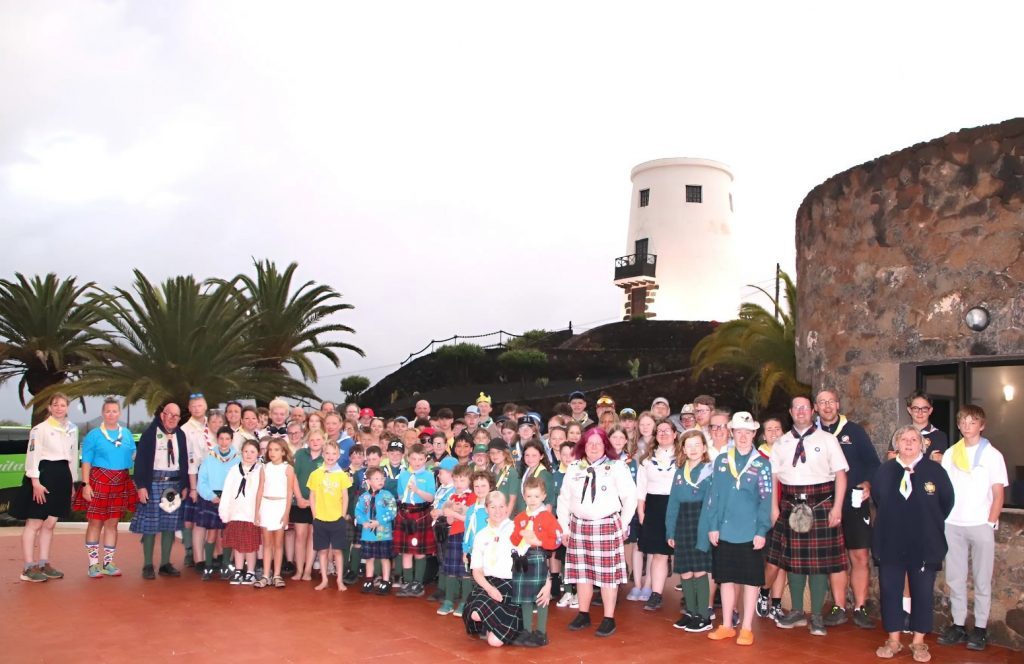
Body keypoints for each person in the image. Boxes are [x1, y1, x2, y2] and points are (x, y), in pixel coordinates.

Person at [768, 396, 849, 637]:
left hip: (821, 504)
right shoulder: (781, 443)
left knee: (819, 564)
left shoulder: (828, 439)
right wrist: (774, 508)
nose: (801, 411)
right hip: (790, 505)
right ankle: (795, 611)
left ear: (812, 411)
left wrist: (838, 508)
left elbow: (841, 476)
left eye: (805, 407)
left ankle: (815, 615)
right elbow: (774, 478)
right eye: (797, 408)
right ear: (791, 412)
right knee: (792, 561)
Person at [872, 426, 954, 662]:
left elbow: (946, 502)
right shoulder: (885, 471)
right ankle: (894, 639)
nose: (908, 443)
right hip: (891, 542)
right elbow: (879, 499)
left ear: (922, 445)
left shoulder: (936, 472)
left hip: (925, 543)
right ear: (896, 444)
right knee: (890, 591)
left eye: (914, 439)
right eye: (904, 439)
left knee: (922, 592)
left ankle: (919, 642)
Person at [937, 404, 1008, 652]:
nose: (968, 426)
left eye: (973, 421)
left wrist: (990, 522)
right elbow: (943, 489)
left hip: (980, 524)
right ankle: (958, 625)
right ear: (958, 425)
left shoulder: (992, 455)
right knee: (955, 578)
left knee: (981, 579)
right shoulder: (950, 454)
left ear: (982, 425)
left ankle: (979, 628)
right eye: (963, 422)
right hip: (953, 524)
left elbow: (998, 493)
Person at [558, 427, 638, 637]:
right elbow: (563, 500)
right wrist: (564, 527)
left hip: (606, 526)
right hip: (578, 527)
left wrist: (624, 523)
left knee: (607, 576)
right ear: (583, 445)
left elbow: (630, 497)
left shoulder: (617, 467)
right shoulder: (574, 467)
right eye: (589, 443)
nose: (593, 447)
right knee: (582, 574)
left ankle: (608, 618)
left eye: (598, 443)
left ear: (605, 446)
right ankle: (583, 614)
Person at [702, 412, 773, 646]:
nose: (743, 436)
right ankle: (727, 626)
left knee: (751, 581)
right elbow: (713, 497)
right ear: (732, 433)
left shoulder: (762, 463)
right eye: (739, 431)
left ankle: (746, 627)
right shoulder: (721, 461)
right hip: (724, 530)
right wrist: (713, 526)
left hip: (750, 532)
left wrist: (762, 530)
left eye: (748, 432)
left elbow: (766, 500)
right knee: (727, 579)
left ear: (754, 434)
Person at [815, 389, 880, 629]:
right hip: (825, 503)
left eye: (831, 401)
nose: (827, 406)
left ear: (838, 404)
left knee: (860, 555)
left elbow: (874, 464)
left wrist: (868, 484)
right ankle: (839, 606)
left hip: (854, 502)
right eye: (822, 402)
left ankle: (860, 607)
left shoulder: (854, 431)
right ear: (816, 408)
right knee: (835, 558)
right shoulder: (812, 435)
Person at [13, 393, 78, 582]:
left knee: (50, 523)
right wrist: (35, 482)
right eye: (55, 405)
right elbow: (32, 455)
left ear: (67, 408)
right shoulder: (39, 429)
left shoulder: (72, 429)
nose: (59, 408)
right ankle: (28, 567)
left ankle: (43, 563)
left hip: (62, 476)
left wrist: (72, 483)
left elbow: (72, 457)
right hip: (43, 475)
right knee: (34, 523)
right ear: (49, 408)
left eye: (63, 405)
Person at [72, 397, 136, 578]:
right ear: (103, 413)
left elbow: (134, 454)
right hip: (98, 480)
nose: (111, 414)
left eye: (114, 411)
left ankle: (108, 563)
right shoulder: (93, 435)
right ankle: (93, 564)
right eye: (108, 411)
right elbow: (86, 461)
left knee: (112, 523)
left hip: (120, 481)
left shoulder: (127, 434)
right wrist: (85, 485)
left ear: (119, 413)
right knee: (95, 523)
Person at [129, 401, 190, 580]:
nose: (172, 418)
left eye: (176, 416)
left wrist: (185, 485)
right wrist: (141, 486)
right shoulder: (150, 434)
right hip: (153, 483)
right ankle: (148, 564)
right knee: (150, 525)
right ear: (162, 415)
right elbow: (140, 462)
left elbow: (184, 461)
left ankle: (165, 564)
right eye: (169, 414)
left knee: (169, 525)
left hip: (174, 485)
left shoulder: (180, 435)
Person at [665, 428, 714, 632]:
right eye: (689, 445)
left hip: (701, 520)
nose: (693, 449)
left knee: (700, 569)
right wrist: (670, 530)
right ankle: (691, 612)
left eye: (697, 445)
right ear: (683, 448)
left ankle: (704, 615)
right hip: (683, 522)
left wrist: (711, 528)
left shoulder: (710, 471)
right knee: (685, 570)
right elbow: (673, 503)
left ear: (704, 448)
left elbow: (712, 503)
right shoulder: (679, 472)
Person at [463, 491, 522, 647]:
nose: (498, 511)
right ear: (486, 509)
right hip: (488, 584)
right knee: (475, 613)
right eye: (493, 507)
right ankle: (490, 622)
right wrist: (489, 589)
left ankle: (506, 624)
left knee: (495, 643)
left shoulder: (516, 529)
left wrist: (547, 581)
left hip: (511, 585)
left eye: (501, 506)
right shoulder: (481, 535)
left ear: (507, 507)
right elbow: (476, 570)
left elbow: (532, 556)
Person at [509, 477, 563, 647]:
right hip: (522, 559)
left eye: (536, 496)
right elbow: (514, 539)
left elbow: (557, 539)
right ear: (523, 496)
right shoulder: (520, 517)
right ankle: (526, 630)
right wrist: (520, 534)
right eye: (529, 496)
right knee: (525, 598)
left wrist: (539, 541)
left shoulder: (547, 517)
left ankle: (541, 632)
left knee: (540, 597)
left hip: (538, 557)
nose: (532, 500)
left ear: (543, 496)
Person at [635, 418, 680, 611]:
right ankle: (656, 594)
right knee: (659, 554)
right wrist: (641, 513)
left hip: (678, 505)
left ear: (675, 434)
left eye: (667, 430)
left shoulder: (683, 457)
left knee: (683, 553)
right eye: (659, 431)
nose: (663, 434)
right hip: (654, 507)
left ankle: (689, 594)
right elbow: (641, 489)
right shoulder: (646, 460)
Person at [195, 426, 239, 580]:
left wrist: (229, 497)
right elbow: (202, 481)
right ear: (217, 439)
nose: (224, 442)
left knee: (227, 534)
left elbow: (240, 481)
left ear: (232, 440)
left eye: (227, 439)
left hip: (229, 500)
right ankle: (208, 566)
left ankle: (226, 564)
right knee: (212, 533)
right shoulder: (209, 458)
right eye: (221, 439)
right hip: (212, 498)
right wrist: (211, 496)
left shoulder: (238, 459)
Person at [394, 443, 437, 597]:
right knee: (406, 552)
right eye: (414, 459)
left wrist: (417, 490)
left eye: (420, 459)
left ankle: (418, 583)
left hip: (421, 514)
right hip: (405, 513)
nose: (417, 462)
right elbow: (400, 495)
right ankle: (407, 582)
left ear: (425, 459)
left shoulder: (428, 475)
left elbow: (431, 498)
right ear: (408, 459)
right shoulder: (404, 475)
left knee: (419, 552)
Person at [756, 415, 788, 621]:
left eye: (778, 429)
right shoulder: (758, 458)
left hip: (789, 511)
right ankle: (764, 592)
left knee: (783, 560)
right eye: (769, 429)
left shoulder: (791, 454)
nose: (774, 433)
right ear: (763, 435)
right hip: (766, 513)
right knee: (772, 560)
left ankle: (776, 603)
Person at [308, 440, 350, 592]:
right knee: (323, 551)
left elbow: (345, 496)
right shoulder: (315, 474)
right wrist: (315, 515)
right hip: (320, 518)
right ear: (322, 454)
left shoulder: (342, 475)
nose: (330, 456)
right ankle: (324, 579)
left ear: (338, 455)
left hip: (337, 519)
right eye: (327, 453)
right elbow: (312, 496)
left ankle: (339, 580)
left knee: (338, 551)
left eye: (334, 453)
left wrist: (342, 515)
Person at [218, 439, 261, 585]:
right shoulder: (234, 470)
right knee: (237, 544)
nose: (249, 455)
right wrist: (225, 512)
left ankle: (250, 572)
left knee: (250, 545)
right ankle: (238, 569)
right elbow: (227, 492)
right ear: (241, 452)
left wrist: (259, 513)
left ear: (258, 454)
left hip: (251, 515)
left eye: (252, 452)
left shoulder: (261, 471)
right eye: (246, 451)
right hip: (236, 514)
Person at [254, 438, 294, 588]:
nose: (272, 453)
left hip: (280, 506)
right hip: (266, 506)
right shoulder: (264, 468)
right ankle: (266, 575)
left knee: (278, 544)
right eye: (270, 450)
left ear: (283, 452)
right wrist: (257, 511)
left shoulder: (288, 468)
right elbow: (260, 490)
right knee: (267, 543)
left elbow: (290, 492)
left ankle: (277, 574)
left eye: (276, 450)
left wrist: (286, 513)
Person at [355, 466, 398, 595]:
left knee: (385, 558)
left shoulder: (387, 495)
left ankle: (385, 581)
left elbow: (393, 511)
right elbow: (358, 511)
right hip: (368, 534)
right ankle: (369, 579)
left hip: (383, 533)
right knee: (369, 558)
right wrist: (364, 522)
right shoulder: (364, 497)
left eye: (382, 478)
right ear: (368, 481)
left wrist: (379, 521)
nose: (380, 481)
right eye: (376, 478)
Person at [181, 393, 212, 571]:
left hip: (213, 476)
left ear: (205, 406)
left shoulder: (215, 424)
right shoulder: (185, 429)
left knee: (209, 518)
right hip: (194, 474)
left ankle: (210, 554)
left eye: (200, 405)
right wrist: (189, 485)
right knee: (191, 518)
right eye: (193, 406)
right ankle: (189, 551)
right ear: (189, 408)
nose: (197, 409)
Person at [441, 463, 475, 617]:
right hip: (454, 534)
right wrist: (449, 514)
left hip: (466, 536)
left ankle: (464, 601)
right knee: (451, 568)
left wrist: (453, 514)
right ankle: (448, 600)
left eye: (462, 481)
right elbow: (449, 520)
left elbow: (469, 519)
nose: (458, 484)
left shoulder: (472, 496)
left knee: (465, 569)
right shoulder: (452, 496)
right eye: (455, 481)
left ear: (469, 481)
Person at [291, 429, 324, 581]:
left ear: (323, 440)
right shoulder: (299, 454)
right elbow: (294, 477)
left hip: (318, 504)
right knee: (299, 536)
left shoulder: (327, 457)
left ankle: (308, 570)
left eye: (318, 439)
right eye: (312, 440)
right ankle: (299, 570)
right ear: (307, 441)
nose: (315, 442)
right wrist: (298, 498)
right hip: (301, 503)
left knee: (313, 536)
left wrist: (315, 502)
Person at [897, 391, 948, 461]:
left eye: (924, 409)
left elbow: (938, 460)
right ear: (909, 410)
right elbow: (891, 457)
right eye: (915, 408)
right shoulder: (900, 434)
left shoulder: (939, 436)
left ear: (930, 410)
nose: (920, 413)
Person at [489, 439, 521, 514]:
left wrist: (505, 519)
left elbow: (512, 500)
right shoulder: (490, 471)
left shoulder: (512, 472)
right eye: (492, 453)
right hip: (493, 513)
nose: (495, 455)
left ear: (505, 453)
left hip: (507, 514)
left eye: (498, 452)